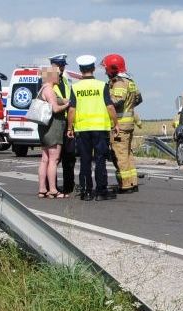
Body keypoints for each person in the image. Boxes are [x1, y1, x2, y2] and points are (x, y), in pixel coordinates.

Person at [66, 55, 119, 201]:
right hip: (100, 128)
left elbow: (71, 110)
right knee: (100, 159)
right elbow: (110, 106)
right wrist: (116, 123)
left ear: (80, 70)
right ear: (94, 69)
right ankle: (101, 191)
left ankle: (86, 191)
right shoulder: (102, 85)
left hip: (82, 129)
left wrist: (70, 128)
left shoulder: (75, 87)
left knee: (85, 160)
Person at [102, 53, 142, 193]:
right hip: (129, 124)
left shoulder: (119, 82)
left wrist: (104, 100)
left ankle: (125, 185)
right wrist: (129, 107)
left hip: (120, 125)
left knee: (120, 156)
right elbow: (138, 99)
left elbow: (116, 101)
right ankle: (133, 182)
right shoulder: (130, 81)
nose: (105, 71)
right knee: (128, 154)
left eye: (106, 69)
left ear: (113, 68)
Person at [37, 66, 70, 199]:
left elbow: (56, 101)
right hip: (53, 126)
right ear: (51, 76)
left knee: (45, 159)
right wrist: (68, 105)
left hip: (44, 128)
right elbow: (55, 109)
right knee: (53, 159)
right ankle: (53, 190)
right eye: (57, 75)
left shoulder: (42, 88)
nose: (59, 77)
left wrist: (64, 100)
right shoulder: (50, 90)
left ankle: (42, 189)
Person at [50, 54, 77, 195]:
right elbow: (50, 99)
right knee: (54, 158)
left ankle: (69, 186)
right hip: (54, 120)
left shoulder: (65, 79)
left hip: (66, 120)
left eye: (62, 66)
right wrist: (67, 102)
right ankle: (51, 187)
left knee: (69, 156)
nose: (62, 68)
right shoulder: (48, 77)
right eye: (60, 65)